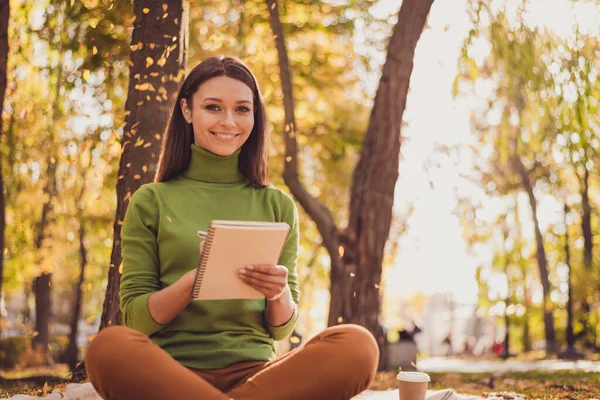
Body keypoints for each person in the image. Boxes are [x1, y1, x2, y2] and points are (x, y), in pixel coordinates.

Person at [85, 56, 379, 400]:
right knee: (108, 347)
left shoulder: (277, 205)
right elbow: (135, 320)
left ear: (255, 116)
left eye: (242, 109)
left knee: (359, 345)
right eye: (213, 107)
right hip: (170, 373)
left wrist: (277, 292)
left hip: (259, 377)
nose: (229, 121)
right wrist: (197, 279)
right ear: (187, 110)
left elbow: (281, 327)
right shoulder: (152, 200)